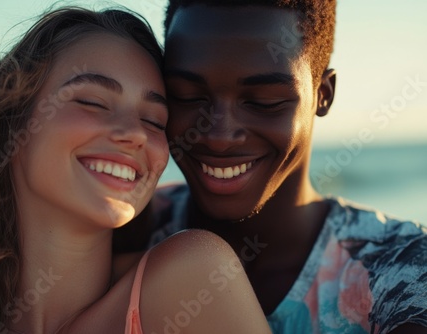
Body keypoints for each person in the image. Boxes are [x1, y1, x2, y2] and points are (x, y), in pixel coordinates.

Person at [0, 7, 273, 334]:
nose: (136, 133)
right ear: (10, 120)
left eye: (154, 121)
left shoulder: (192, 280)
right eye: (91, 102)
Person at [114, 1, 427, 333]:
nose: (220, 136)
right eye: (187, 96)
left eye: (265, 102)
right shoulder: (121, 225)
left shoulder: (402, 264)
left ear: (323, 94)